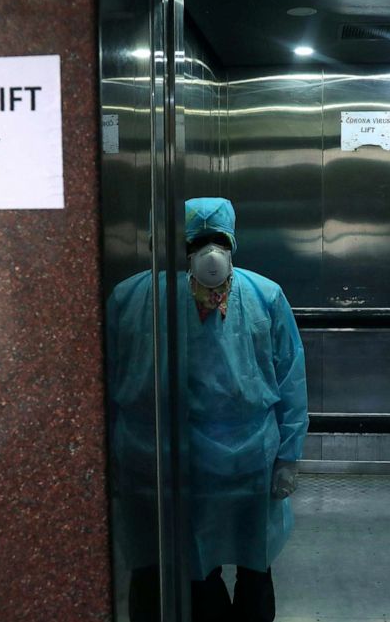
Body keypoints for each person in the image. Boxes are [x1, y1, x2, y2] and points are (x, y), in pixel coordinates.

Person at [107, 197, 309, 622]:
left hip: (243, 463)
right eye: (195, 243)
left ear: (232, 242)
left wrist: (289, 455)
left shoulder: (264, 295)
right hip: (156, 463)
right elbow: (103, 383)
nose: (207, 254)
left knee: (252, 566)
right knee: (165, 570)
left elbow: (291, 376)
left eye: (216, 241)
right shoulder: (130, 298)